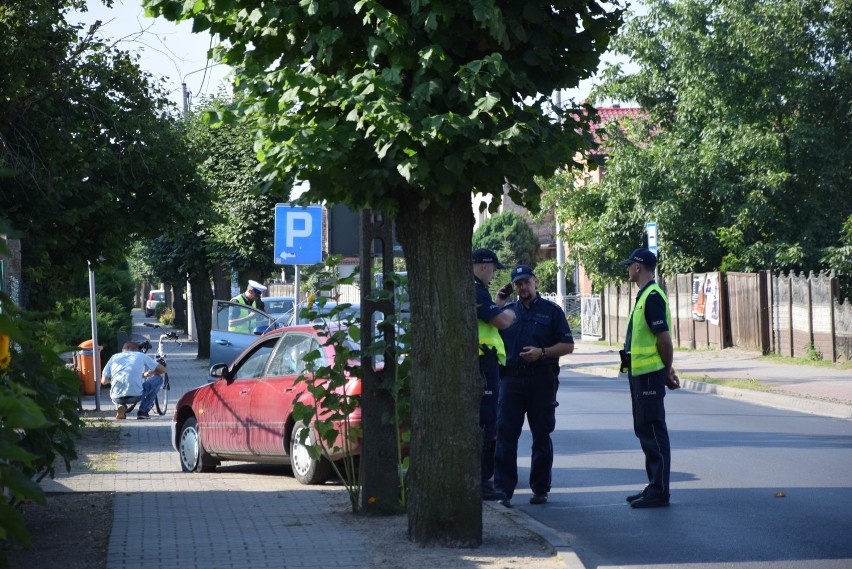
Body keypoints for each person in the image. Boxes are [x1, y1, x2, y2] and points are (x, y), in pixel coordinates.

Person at [494, 265, 574, 507]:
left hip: (542, 379)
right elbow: (488, 330)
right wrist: (497, 304)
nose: (522, 287)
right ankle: (503, 491)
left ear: (535, 281)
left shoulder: (551, 312)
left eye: (526, 282)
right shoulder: (507, 312)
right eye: (518, 283)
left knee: (541, 434)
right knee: (506, 436)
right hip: (511, 380)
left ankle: (540, 489)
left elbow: (567, 345)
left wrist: (542, 353)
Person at [618, 247, 681, 508]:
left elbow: (664, 340)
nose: (627, 269)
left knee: (653, 431)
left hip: (648, 376)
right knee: (645, 430)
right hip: (640, 374)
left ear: (637, 267)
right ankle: (654, 485)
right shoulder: (645, 295)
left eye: (629, 264)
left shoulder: (652, 296)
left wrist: (666, 369)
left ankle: (660, 491)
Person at [472, 248, 517, 501]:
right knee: (486, 422)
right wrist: (509, 312)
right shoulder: (476, 289)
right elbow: (502, 322)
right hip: (483, 363)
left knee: (487, 421)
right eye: (493, 269)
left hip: (485, 362)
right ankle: (481, 481)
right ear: (484, 266)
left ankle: (482, 479)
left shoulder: (478, 289)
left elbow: (488, 316)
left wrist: (497, 306)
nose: (494, 273)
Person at [100, 341, 167, 420]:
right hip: (136, 396)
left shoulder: (114, 357)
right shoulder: (141, 355)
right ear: (137, 349)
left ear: (122, 349)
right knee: (158, 379)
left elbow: (104, 381)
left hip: (116, 397)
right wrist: (150, 373)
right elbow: (163, 370)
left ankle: (120, 405)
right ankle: (143, 411)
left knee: (117, 390)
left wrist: (113, 379)